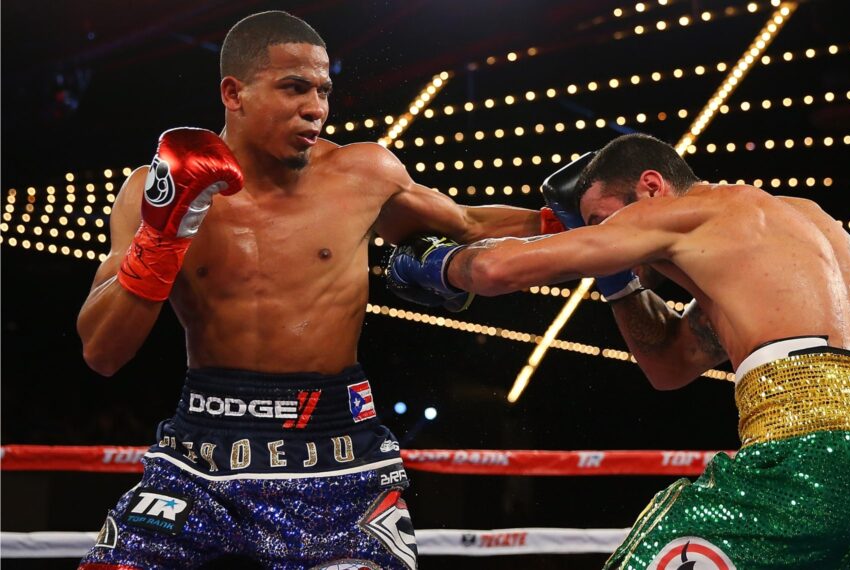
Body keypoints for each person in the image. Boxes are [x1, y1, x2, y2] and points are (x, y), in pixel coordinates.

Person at [75, 11, 553, 569]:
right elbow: (102, 352)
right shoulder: (150, 189)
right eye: (294, 87)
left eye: (324, 90)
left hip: (338, 457)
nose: (317, 108)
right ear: (235, 92)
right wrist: (163, 237)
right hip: (200, 458)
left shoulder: (363, 174)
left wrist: (574, 221)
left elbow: (467, 224)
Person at [386, 133, 850, 569]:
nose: (598, 240)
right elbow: (669, 365)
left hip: (818, 455)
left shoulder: (684, 213)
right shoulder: (793, 227)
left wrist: (432, 263)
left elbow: (494, 266)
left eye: (597, 222)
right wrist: (616, 279)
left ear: (651, 188)